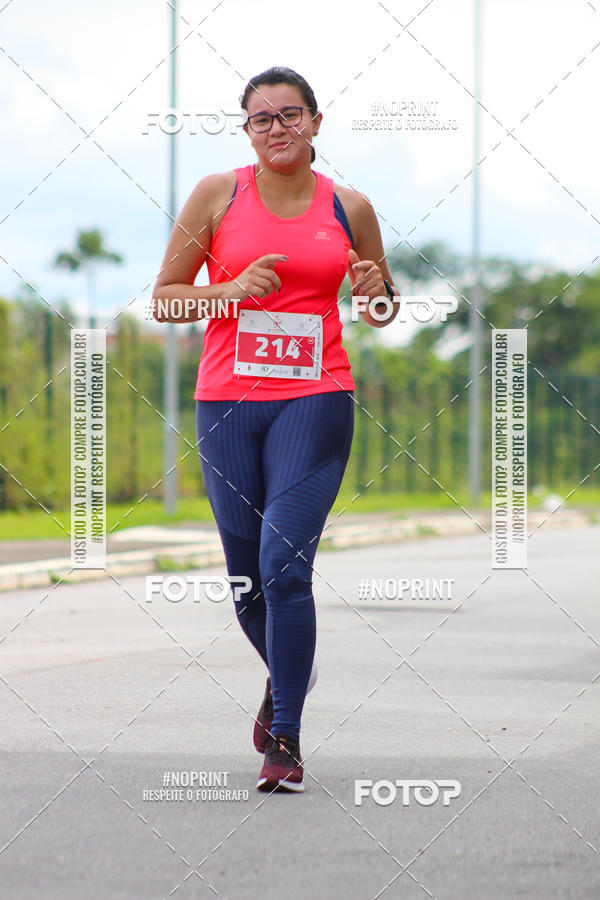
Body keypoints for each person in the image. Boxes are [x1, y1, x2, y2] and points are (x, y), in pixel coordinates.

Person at [153, 65, 400, 793]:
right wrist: (226, 291)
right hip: (226, 404)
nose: (278, 128)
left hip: (315, 400)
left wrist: (377, 294)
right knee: (246, 583)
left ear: (316, 124)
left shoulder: (349, 206)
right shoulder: (215, 195)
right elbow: (164, 301)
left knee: (284, 567)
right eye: (263, 119)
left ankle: (285, 738)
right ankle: (293, 668)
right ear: (247, 131)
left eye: (291, 115)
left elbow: (381, 306)